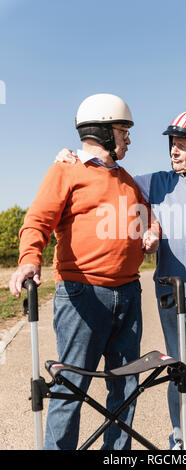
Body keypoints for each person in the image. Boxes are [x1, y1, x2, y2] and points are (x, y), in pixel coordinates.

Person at [55, 110, 186, 449]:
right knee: (179, 370)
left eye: (182, 145)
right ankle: (183, 442)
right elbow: (111, 181)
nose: (174, 152)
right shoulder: (156, 183)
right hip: (171, 294)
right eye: (172, 145)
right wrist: (76, 158)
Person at [9, 93, 159, 451]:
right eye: (123, 131)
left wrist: (152, 230)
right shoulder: (66, 169)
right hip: (82, 294)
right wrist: (30, 258)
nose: (128, 139)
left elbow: (146, 216)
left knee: (126, 388)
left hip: (129, 294)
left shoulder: (126, 179)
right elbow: (37, 222)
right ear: (104, 131)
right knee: (71, 389)